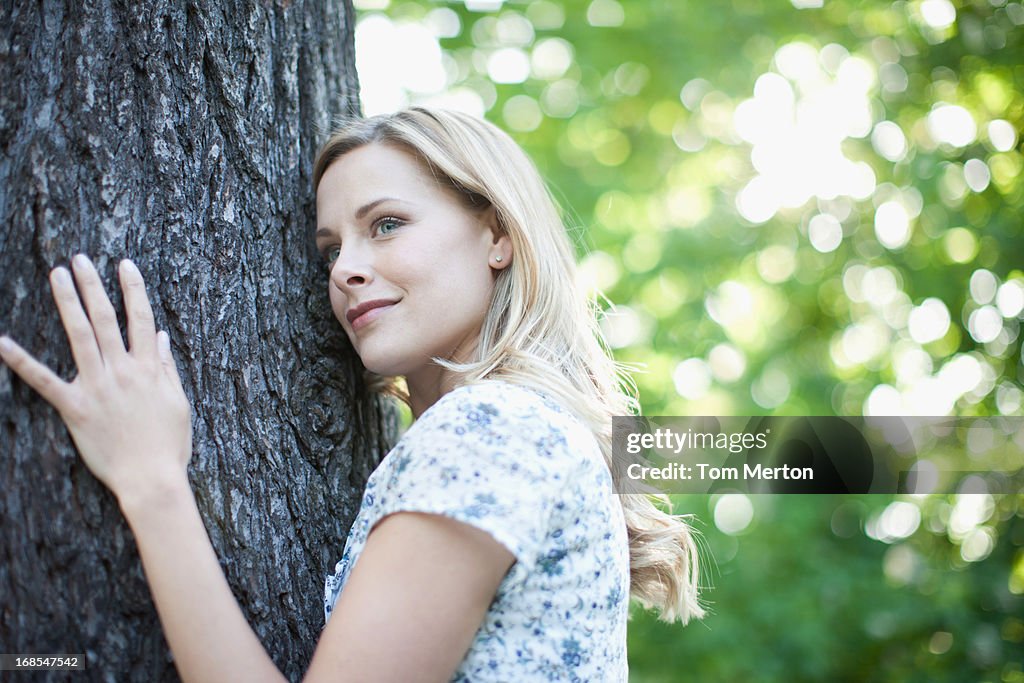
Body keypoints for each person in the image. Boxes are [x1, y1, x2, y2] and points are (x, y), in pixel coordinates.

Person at [0, 106, 704, 682]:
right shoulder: (528, 428)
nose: (346, 271)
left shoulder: (490, 429)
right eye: (330, 250)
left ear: (496, 235)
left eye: (387, 224)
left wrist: (151, 481)